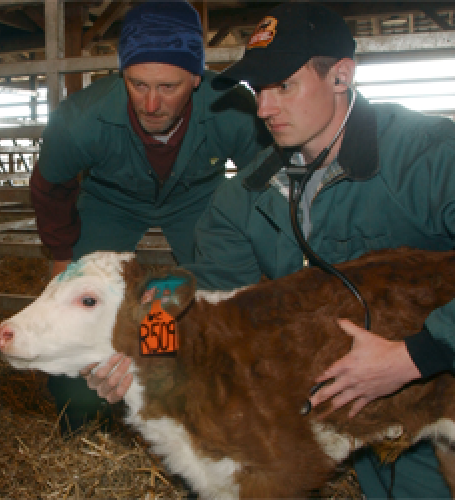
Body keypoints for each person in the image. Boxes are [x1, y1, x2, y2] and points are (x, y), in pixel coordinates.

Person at [83, 2, 455, 497]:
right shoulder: (248, 192)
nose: (263, 108)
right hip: (355, 394)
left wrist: (415, 355)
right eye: (258, 89)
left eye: (284, 86)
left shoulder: (430, 156)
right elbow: (206, 287)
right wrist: (144, 351)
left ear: (341, 76)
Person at [30, 0, 270, 432]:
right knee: (81, 295)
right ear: (122, 74)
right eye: (138, 84)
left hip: (196, 197)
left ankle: (203, 399)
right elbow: (51, 188)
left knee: (218, 292)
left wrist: (260, 254)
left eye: (169, 86)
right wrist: (62, 257)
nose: (152, 103)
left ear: (196, 78)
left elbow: (264, 181)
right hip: (111, 198)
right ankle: (80, 411)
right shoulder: (79, 119)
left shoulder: (233, 107)